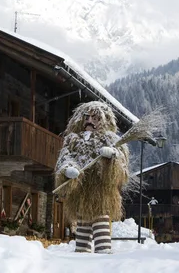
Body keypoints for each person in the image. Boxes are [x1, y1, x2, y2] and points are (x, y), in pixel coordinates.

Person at [55, 101, 130, 253]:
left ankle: (103, 257)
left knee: (101, 221)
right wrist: (69, 170)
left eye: (95, 118)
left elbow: (122, 167)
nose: (89, 121)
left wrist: (112, 157)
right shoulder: (72, 140)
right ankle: (82, 258)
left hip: (101, 194)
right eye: (86, 117)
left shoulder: (111, 140)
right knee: (82, 226)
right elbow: (65, 158)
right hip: (81, 194)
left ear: (104, 120)